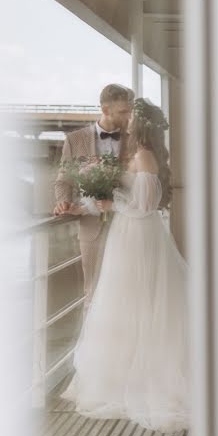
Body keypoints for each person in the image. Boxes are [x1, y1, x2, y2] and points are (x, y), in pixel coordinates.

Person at [61, 99, 189, 433]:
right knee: (125, 303)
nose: (125, 119)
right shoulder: (136, 153)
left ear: (139, 122)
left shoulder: (144, 154)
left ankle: (141, 378)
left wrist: (110, 203)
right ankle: (123, 372)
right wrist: (87, 204)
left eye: (130, 115)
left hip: (138, 236)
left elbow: (144, 207)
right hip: (127, 235)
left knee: (136, 301)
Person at [53, 83, 134, 309]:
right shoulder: (74, 140)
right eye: (123, 112)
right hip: (91, 228)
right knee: (93, 292)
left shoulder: (135, 140)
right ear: (105, 109)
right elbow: (63, 180)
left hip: (127, 225)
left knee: (127, 290)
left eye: (129, 111)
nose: (128, 117)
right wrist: (63, 202)